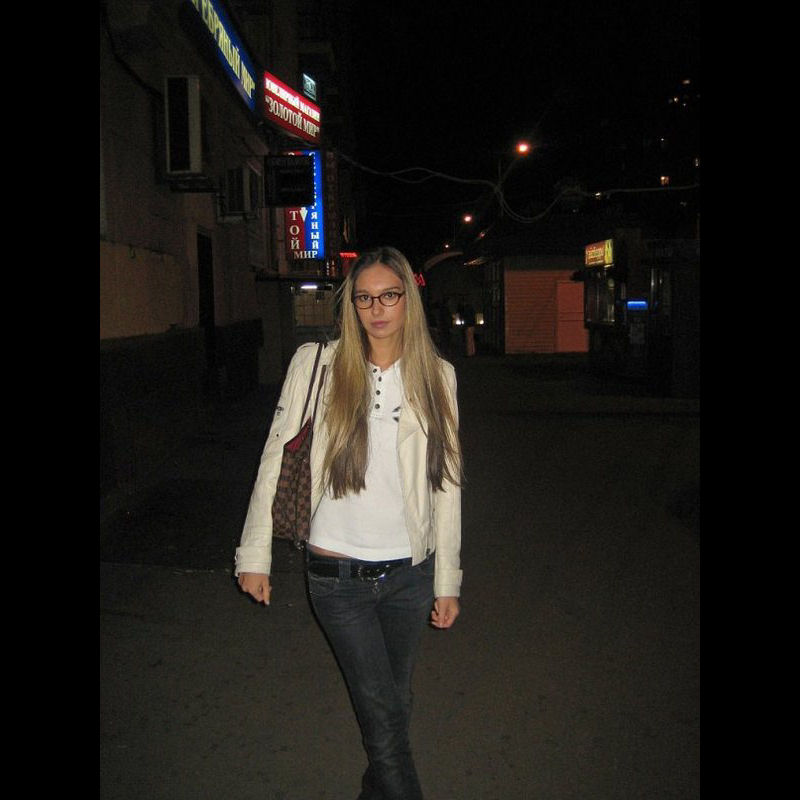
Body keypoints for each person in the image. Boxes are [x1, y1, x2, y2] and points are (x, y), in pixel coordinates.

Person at [234, 246, 463, 800]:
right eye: (364, 298)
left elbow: (448, 482)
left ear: (408, 299)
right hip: (337, 576)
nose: (376, 309)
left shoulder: (438, 376)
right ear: (351, 306)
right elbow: (275, 457)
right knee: (382, 712)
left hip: (410, 573)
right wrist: (254, 554)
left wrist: (447, 581)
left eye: (389, 295)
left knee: (394, 703)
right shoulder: (318, 365)